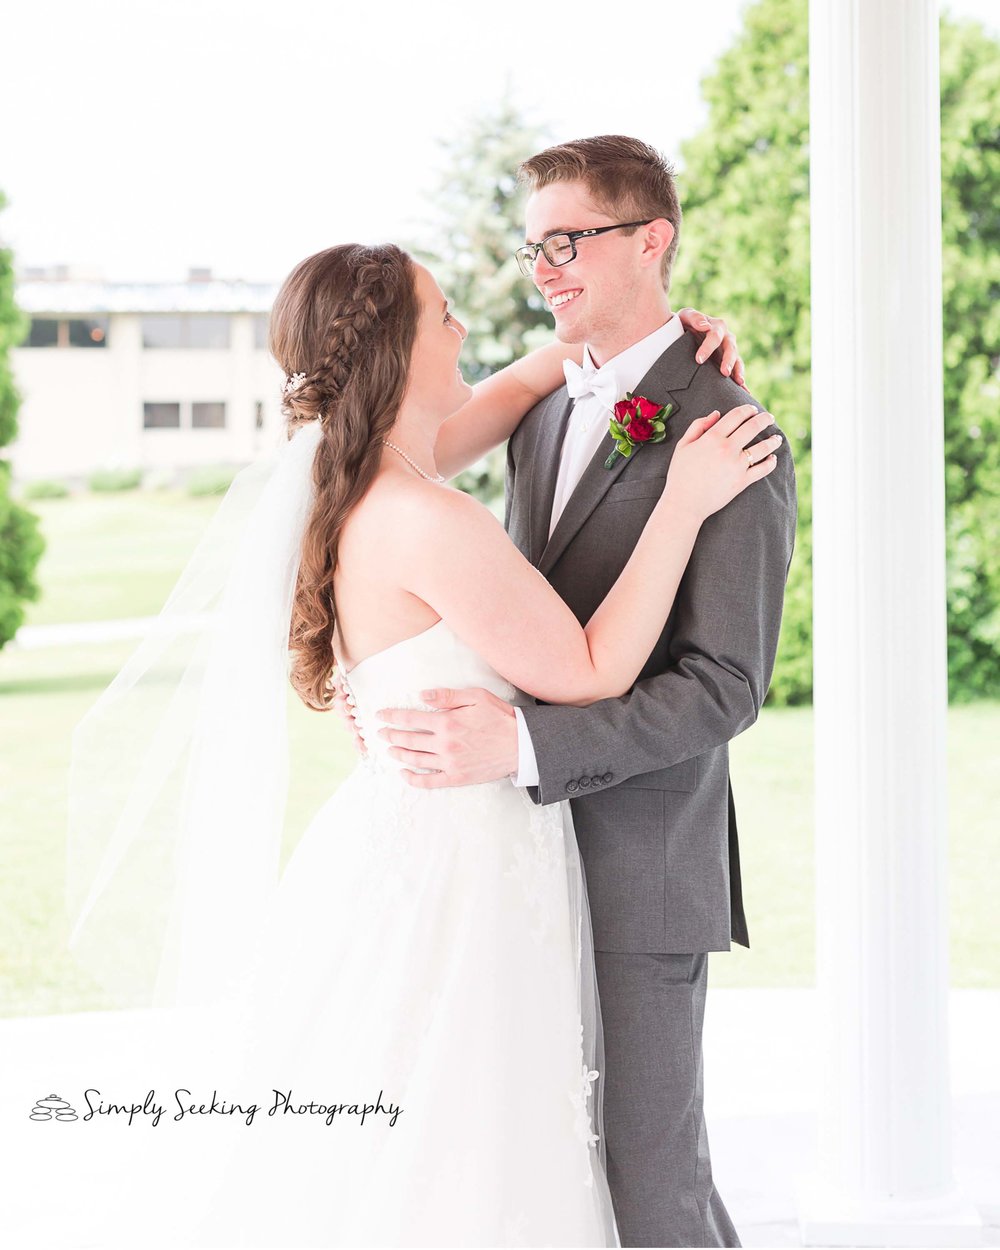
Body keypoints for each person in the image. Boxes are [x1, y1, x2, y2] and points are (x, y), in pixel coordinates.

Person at [63, 240, 779, 1249]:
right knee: (470, 1136)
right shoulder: (429, 517)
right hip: (464, 867)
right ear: (397, 352)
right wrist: (681, 500)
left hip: (399, 841)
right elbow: (587, 668)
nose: (465, 332)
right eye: (443, 315)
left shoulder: (350, 483)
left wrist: (656, 334)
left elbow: (509, 389)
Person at [344, 136, 799, 1248]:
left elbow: (724, 686)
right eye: (534, 245)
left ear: (653, 239)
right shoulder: (541, 414)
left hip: (640, 865)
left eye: (570, 240)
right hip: (506, 870)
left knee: (651, 1180)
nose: (543, 267)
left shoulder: (730, 435)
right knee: (547, 1172)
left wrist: (527, 750)